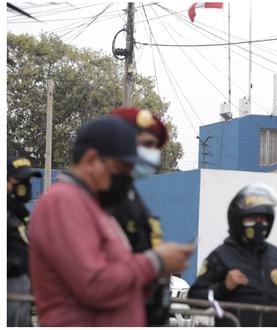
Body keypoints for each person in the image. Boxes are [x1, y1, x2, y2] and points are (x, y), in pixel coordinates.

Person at [28, 117, 194, 326]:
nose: (125, 177)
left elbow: (118, 272)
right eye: (121, 168)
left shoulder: (94, 206)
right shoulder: (63, 202)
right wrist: (155, 261)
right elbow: (94, 284)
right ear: (91, 160)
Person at [188, 184, 277, 326]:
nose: (259, 224)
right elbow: (194, 299)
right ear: (237, 220)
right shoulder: (221, 256)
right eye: (252, 218)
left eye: (263, 219)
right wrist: (224, 287)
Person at [107, 107, 170, 325]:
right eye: (145, 145)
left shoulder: (132, 196)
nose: (152, 153)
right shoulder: (101, 200)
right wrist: (157, 261)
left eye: (154, 146)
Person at [7, 156, 41, 326]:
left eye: (28, 180)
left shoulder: (18, 214)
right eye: (21, 180)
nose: (26, 185)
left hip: (20, 297)